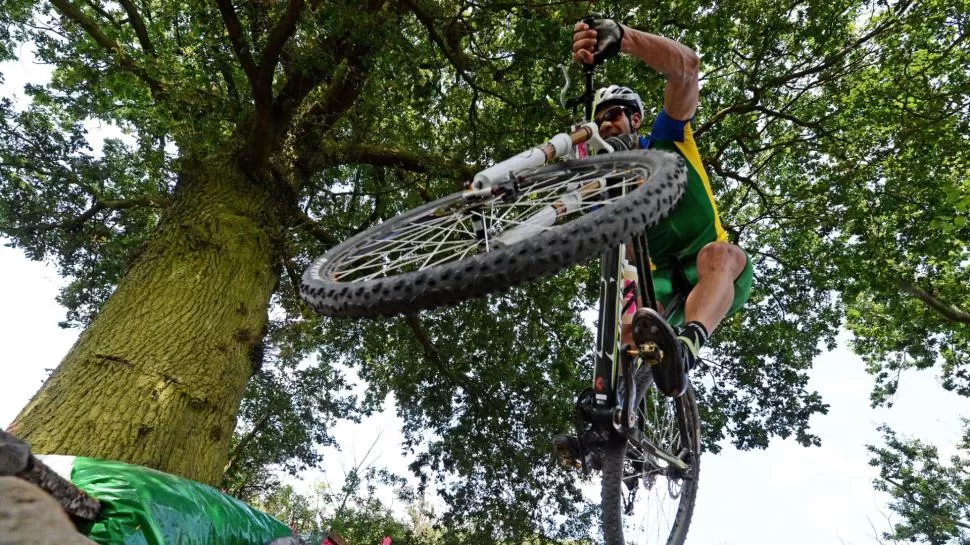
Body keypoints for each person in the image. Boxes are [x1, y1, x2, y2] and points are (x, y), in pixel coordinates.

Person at [572, 18, 754, 398]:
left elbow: (687, 67)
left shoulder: (668, 141)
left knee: (722, 253)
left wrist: (624, 38)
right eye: (597, 121)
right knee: (623, 321)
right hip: (656, 280)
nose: (604, 125)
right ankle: (609, 415)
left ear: (635, 119)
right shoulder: (604, 193)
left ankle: (687, 345)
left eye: (613, 115)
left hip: (710, 268)